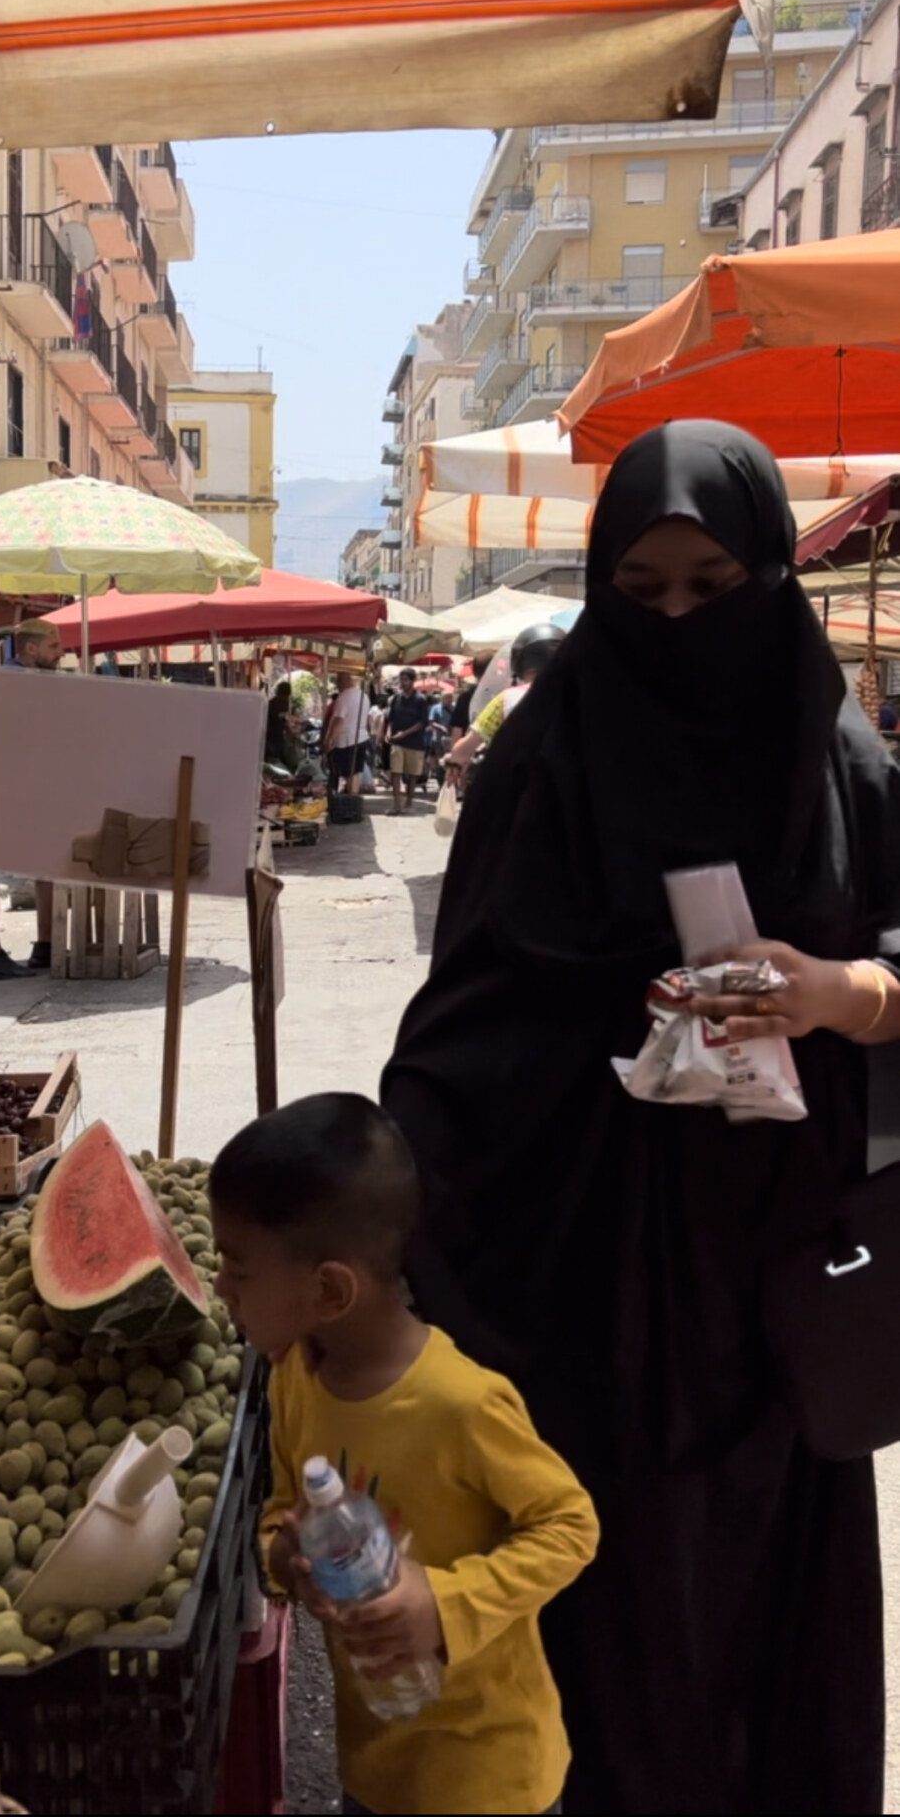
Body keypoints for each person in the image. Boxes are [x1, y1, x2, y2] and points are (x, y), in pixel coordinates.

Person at [383, 421, 900, 1816]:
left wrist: (834, 993)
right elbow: (459, 1021)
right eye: (641, 591)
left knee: (768, 1613)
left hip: (782, 1280)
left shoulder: (846, 776)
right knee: (604, 1590)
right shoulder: (544, 769)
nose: (676, 621)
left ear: (772, 584)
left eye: (712, 588)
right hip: (583, 1274)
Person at [209, 1093, 599, 1817]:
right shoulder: (295, 1375)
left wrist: (444, 1605)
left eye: (238, 1267)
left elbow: (571, 1527)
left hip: (491, 1779)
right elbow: (283, 1509)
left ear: (329, 1288)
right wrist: (287, 1559)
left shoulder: (463, 1403)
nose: (220, 1288)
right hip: (376, 1768)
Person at [0, 618, 62, 981]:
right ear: (30, 649)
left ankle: (45, 946)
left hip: (30, 783)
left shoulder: (32, 682)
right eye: (53, 647)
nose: (61, 654)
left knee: (47, 863)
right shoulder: (9, 683)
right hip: (5, 783)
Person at [446, 624, 563, 787]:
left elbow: (463, 749)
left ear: (520, 659)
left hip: (520, 796)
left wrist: (454, 762)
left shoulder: (507, 700)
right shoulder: (588, 700)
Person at [385, 670, 429, 815]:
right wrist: (388, 732)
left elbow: (421, 723)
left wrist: (404, 733)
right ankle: (396, 805)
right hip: (397, 743)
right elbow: (390, 719)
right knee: (395, 772)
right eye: (401, 680)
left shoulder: (421, 700)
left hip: (415, 742)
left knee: (412, 775)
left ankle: (409, 802)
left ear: (412, 681)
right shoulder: (396, 699)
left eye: (405, 680)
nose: (402, 683)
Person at [325, 673, 371, 796]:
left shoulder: (344, 696)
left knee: (345, 772)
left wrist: (330, 740)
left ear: (343, 682)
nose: (338, 686)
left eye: (338, 683)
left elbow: (339, 721)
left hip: (347, 740)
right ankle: (353, 799)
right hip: (361, 738)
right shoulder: (364, 696)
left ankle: (347, 800)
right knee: (355, 771)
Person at [448, 653, 492, 744]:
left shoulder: (465, 697)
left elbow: (457, 730)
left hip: (470, 751)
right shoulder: (503, 694)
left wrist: (456, 754)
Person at [265, 680, 298, 772]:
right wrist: (290, 732)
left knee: (279, 760)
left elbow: (284, 721)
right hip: (271, 738)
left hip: (277, 737)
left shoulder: (279, 704)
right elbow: (283, 722)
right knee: (275, 763)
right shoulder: (274, 705)